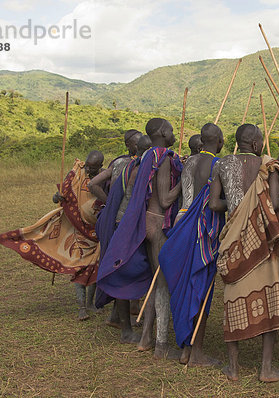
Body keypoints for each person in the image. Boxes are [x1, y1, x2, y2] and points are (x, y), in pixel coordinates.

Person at [209, 124, 279, 383]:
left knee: (232, 299)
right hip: (262, 243)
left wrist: (237, 206)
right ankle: (266, 368)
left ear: (238, 143)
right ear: (258, 144)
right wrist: (252, 206)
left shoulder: (223, 164)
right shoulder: (269, 166)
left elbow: (214, 203)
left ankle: (233, 368)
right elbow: (274, 204)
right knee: (270, 296)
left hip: (233, 243)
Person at [96, 118, 182, 356]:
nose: (174, 134)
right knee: (162, 285)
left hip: (143, 222)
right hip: (156, 223)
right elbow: (164, 200)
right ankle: (161, 345)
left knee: (155, 283)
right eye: (172, 130)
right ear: (163, 132)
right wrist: (185, 181)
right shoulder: (162, 157)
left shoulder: (145, 157)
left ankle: (145, 338)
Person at [0, 151, 105, 321]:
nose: (88, 170)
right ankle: (82, 307)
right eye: (88, 166)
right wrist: (57, 197)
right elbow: (60, 198)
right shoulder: (76, 174)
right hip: (75, 227)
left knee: (94, 266)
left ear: (100, 167)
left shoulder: (105, 178)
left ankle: (90, 303)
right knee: (78, 265)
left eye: (93, 168)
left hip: (95, 229)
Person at [159, 123, 225, 367]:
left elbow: (186, 196)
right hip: (204, 231)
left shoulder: (189, 162)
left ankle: (186, 347)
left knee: (185, 284)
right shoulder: (219, 164)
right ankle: (195, 351)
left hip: (181, 223)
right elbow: (217, 202)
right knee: (201, 288)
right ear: (218, 140)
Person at [89, 129, 143, 204]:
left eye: (142, 144)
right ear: (127, 145)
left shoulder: (147, 161)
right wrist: (108, 203)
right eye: (137, 145)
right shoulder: (118, 162)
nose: (141, 147)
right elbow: (96, 185)